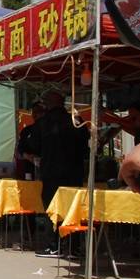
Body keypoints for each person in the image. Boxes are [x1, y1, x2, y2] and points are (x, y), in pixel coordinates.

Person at [29, 90, 89, 257]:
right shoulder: (76, 121)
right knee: (73, 209)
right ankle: (73, 246)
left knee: (52, 209)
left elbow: (34, 146)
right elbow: (85, 147)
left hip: (51, 172)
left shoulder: (43, 123)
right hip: (74, 172)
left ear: (49, 104)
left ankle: (54, 245)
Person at [14, 103, 45, 180]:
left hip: (47, 169)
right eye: (33, 112)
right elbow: (20, 149)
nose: (35, 114)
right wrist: (28, 156)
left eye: (39, 111)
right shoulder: (27, 130)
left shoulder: (51, 130)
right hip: (29, 169)